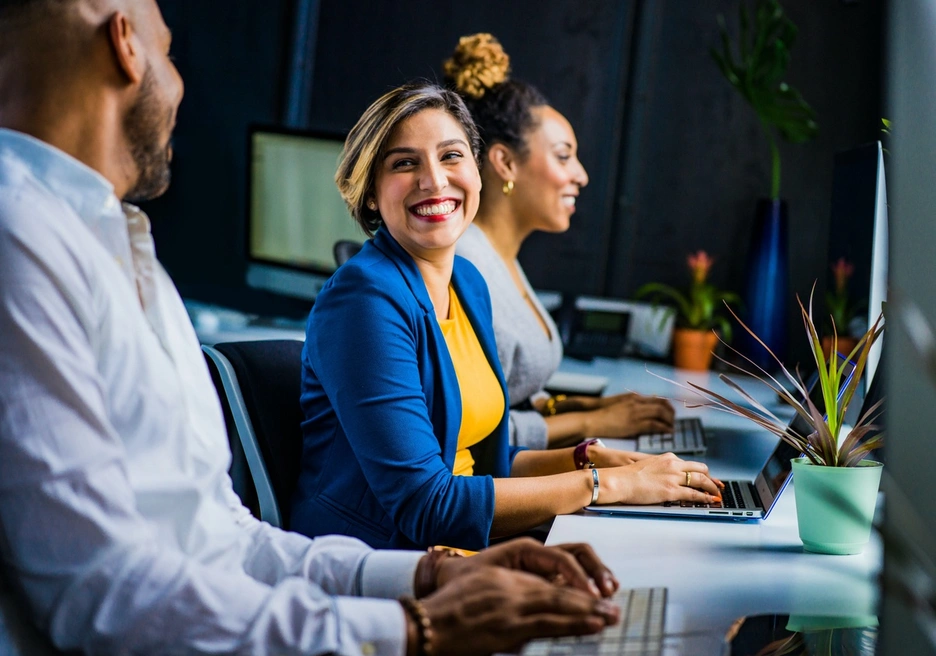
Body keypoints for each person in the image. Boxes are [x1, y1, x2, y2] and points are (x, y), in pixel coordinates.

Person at [0, 1, 624, 654]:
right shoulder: (22, 240)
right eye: (170, 51)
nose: (180, 84)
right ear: (126, 46)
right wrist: (419, 626)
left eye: (450, 156)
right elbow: (102, 597)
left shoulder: (117, 242)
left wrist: (432, 577)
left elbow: (221, 539)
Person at [292, 81, 723, 552]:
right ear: (371, 193)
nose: (434, 180)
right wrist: (608, 485)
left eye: (451, 156)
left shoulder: (469, 283)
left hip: (461, 550)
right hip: (380, 565)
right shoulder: (363, 301)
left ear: (478, 172)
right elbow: (426, 505)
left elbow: (482, 465)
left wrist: (588, 460)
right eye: (404, 163)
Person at [447, 33, 677, 450]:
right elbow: (473, 436)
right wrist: (594, 423)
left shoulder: (501, 258)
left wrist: (585, 408)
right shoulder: (466, 267)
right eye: (563, 155)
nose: (581, 175)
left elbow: (509, 396)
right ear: (505, 162)